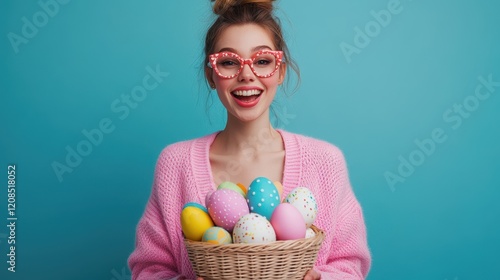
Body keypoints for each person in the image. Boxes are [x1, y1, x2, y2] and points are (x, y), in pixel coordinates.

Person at [128, 0, 371, 279]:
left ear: (280, 71)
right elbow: (148, 270)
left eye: (262, 61)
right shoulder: (175, 164)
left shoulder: (326, 162)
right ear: (211, 75)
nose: (246, 74)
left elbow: (350, 267)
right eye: (229, 62)